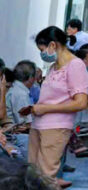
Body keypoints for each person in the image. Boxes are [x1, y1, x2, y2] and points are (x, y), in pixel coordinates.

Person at [26, 25, 88, 180]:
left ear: (53, 45)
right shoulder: (54, 67)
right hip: (39, 125)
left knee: (46, 176)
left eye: (42, 50)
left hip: (56, 127)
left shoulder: (75, 65)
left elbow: (81, 102)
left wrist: (46, 108)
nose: (42, 54)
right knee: (33, 174)